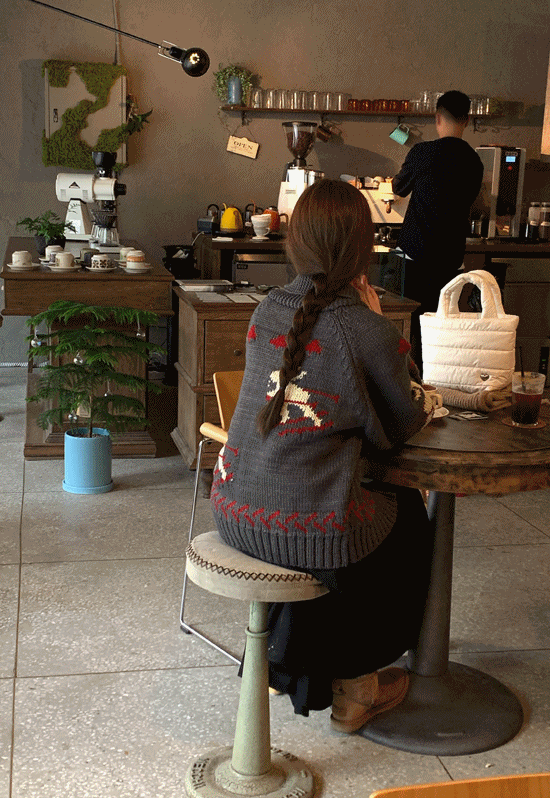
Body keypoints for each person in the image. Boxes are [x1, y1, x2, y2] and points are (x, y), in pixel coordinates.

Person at [210, 178, 437, 728]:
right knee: (402, 519)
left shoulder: (267, 309)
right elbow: (404, 421)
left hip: (234, 507)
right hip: (297, 527)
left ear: (296, 242)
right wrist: (380, 322)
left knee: (336, 507)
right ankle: (356, 683)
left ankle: (294, 662)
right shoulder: (364, 328)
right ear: (364, 248)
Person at [392, 90, 484, 371]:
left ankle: (409, 383)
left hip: (415, 257)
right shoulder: (474, 161)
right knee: (441, 329)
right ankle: (437, 381)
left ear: (437, 118)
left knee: (407, 326)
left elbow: (398, 188)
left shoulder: (422, 152)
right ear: (466, 120)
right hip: (451, 260)